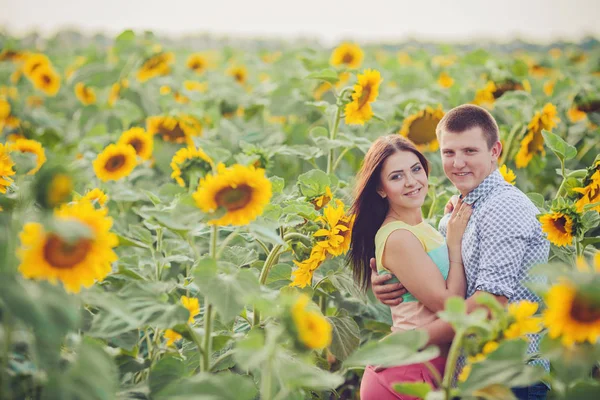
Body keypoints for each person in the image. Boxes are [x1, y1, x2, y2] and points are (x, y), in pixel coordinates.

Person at [370, 104, 550, 400]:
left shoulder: (504, 208)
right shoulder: (461, 211)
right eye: (449, 153)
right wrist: (395, 285)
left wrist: (408, 341)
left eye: (470, 151)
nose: (457, 163)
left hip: (509, 375)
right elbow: (443, 283)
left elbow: (488, 305)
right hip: (470, 374)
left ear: (494, 151)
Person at [348, 135, 473, 400]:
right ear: (381, 189)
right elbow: (451, 305)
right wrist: (454, 243)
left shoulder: (421, 228)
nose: (411, 181)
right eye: (396, 177)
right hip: (406, 373)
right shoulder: (398, 237)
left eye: (416, 169)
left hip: (428, 368)